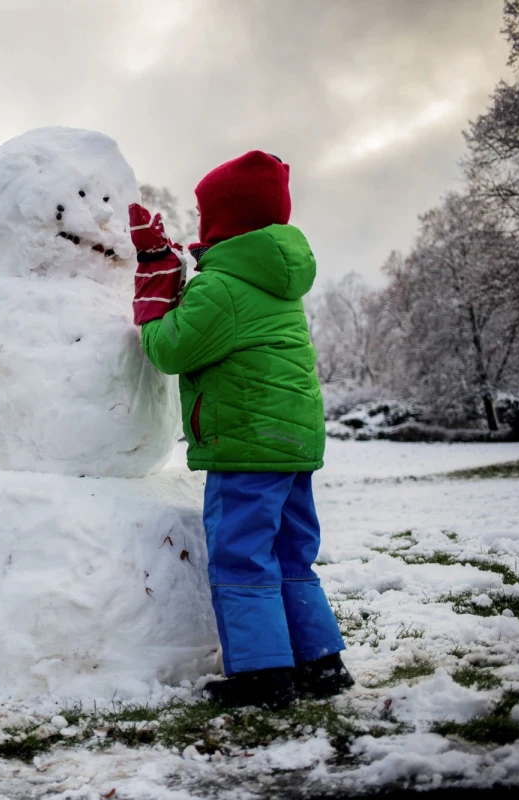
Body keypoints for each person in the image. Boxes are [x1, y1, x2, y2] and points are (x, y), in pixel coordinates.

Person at [129, 150, 352, 710]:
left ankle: (262, 675)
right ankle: (321, 663)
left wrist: (154, 298)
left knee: (241, 557)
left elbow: (169, 349)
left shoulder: (223, 287)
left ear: (221, 221)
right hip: (294, 444)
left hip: (246, 446)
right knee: (291, 554)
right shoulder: (277, 280)